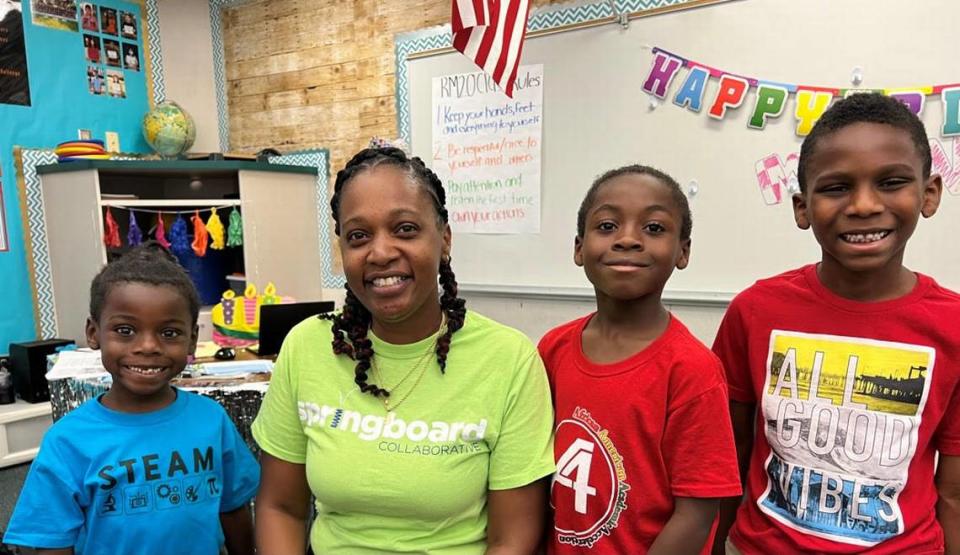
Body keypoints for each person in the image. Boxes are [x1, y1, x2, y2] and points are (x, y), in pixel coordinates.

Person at [252, 147, 555, 554]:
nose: (380, 253)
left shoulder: (508, 359)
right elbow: (280, 507)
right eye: (359, 236)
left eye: (405, 229)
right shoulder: (307, 347)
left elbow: (513, 538)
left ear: (444, 239)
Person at [712, 93, 960, 554]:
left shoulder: (954, 326)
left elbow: (954, 492)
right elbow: (726, 459)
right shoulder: (755, 310)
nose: (863, 205)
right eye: (836, 187)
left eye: (891, 182)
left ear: (929, 195)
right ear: (802, 208)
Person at [3, 243, 260, 555]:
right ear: (94, 332)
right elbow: (53, 541)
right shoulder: (68, 440)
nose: (148, 346)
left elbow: (233, 508)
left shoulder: (212, 419)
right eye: (125, 330)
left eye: (169, 333)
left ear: (192, 338)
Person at [539, 165, 742, 553]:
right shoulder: (553, 349)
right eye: (607, 226)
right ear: (579, 248)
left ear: (682, 251)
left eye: (653, 228)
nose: (628, 239)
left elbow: (697, 512)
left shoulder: (692, 370)